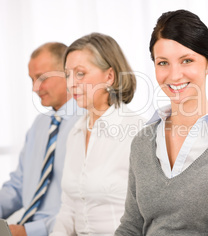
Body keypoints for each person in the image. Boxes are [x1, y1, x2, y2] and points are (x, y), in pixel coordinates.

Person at [115, 10, 208, 236]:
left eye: (186, 60)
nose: (174, 75)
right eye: (163, 63)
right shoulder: (143, 141)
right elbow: (131, 227)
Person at [0, 42, 82, 236]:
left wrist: (29, 231)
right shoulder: (39, 125)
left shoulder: (87, 123)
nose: (35, 88)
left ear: (67, 73)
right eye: (32, 79)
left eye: (42, 78)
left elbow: (85, 206)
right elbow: (18, 186)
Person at [50, 33, 144, 236]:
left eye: (80, 74)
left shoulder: (137, 132)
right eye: (67, 75)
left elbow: (147, 216)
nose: (71, 83)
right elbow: (68, 210)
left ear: (109, 76)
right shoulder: (74, 133)